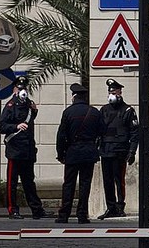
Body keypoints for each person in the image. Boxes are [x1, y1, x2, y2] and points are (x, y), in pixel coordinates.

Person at [0, 75, 52, 220]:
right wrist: (16, 126)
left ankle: (37, 210)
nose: (23, 91)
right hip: (15, 151)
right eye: (20, 88)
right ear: (15, 90)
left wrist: (34, 111)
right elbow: (1, 126)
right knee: (12, 183)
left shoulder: (29, 105)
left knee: (29, 182)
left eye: (24, 88)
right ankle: (13, 210)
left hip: (28, 150)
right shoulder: (10, 106)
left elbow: (29, 123)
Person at [55, 82, 105, 224]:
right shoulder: (94, 112)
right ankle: (82, 214)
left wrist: (60, 154)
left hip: (73, 152)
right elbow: (102, 132)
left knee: (69, 183)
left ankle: (64, 214)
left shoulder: (68, 112)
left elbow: (61, 135)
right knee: (85, 184)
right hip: (89, 152)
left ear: (74, 96)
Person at [97, 78, 139, 219]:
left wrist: (132, 151)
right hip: (106, 150)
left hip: (120, 150)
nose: (112, 95)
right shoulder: (104, 110)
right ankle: (111, 207)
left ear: (120, 92)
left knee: (119, 180)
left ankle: (120, 206)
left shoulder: (128, 110)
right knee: (107, 181)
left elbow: (134, 133)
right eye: (110, 92)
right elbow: (99, 131)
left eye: (114, 92)